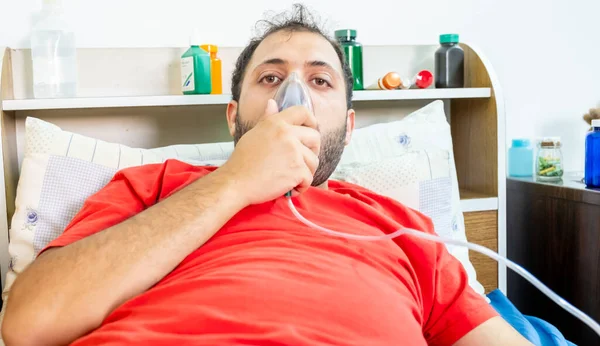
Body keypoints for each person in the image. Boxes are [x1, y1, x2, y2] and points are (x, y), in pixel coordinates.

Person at [2, 4, 532, 346]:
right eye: (271, 77)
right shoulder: (152, 187)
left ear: (347, 130)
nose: (291, 95)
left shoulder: (400, 227)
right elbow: (28, 325)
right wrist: (233, 182)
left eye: (320, 80)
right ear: (235, 116)